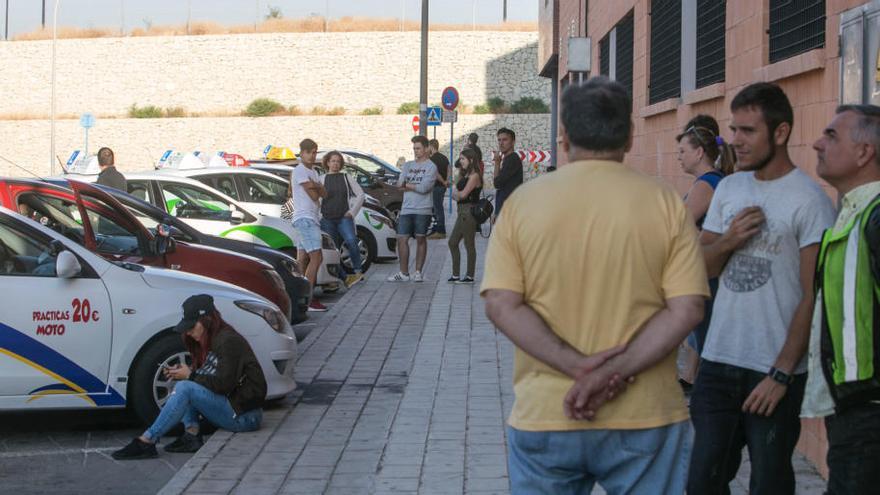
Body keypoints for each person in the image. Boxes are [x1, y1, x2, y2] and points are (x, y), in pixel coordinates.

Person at [482, 76, 709, 494]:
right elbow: (688, 308)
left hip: (546, 415)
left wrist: (578, 368)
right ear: (629, 135)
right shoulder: (664, 203)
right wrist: (613, 372)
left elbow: (500, 303)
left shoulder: (523, 204)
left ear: (563, 136)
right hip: (647, 417)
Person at [688, 82, 836, 494]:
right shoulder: (731, 189)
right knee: (702, 480)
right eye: (733, 130)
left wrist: (782, 374)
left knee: (770, 483)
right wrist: (731, 239)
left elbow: (813, 295)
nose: (736, 140)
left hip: (772, 370)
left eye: (748, 131)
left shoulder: (809, 200)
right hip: (718, 363)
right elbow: (699, 267)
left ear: (781, 132)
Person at [803, 104, 880, 494]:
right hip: (852, 410)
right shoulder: (856, 213)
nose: (817, 143)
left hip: (869, 413)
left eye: (831, 136)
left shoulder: (877, 218)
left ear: (865, 153)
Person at [112, 294, 266, 460]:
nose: (189, 332)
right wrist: (185, 372)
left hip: (245, 417)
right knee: (186, 383)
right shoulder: (212, 339)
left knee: (186, 386)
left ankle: (147, 441)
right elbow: (209, 376)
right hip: (235, 409)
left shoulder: (228, 340)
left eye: (192, 326)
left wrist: (191, 375)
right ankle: (192, 435)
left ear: (207, 320)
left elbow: (224, 385)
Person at [675, 120, 736, 387]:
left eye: (683, 152)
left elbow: (681, 225)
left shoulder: (707, 183)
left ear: (699, 153)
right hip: (710, 269)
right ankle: (693, 380)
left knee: (705, 333)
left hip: (706, 270)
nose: (679, 157)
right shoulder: (716, 180)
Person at [387, 135, 437, 283]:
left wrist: (407, 186)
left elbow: (424, 188)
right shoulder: (408, 165)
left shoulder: (431, 167)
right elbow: (399, 184)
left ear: (427, 148)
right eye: (414, 148)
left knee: (421, 238)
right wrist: (407, 185)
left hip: (423, 209)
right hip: (406, 209)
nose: (416, 151)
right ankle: (403, 273)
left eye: (419, 148)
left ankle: (418, 272)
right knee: (402, 238)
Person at [291, 138, 328, 312]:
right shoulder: (300, 171)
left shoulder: (312, 172)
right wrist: (317, 187)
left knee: (302, 260)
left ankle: (297, 296)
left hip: (310, 218)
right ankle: (309, 298)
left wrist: (316, 186)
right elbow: (315, 195)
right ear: (302, 153)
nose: (312, 156)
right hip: (305, 218)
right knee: (316, 257)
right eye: (309, 152)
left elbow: (324, 192)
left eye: (314, 152)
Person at [319, 150, 366, 288]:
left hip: (344, 218)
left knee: (352, 241)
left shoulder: (346, 177)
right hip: (327, 219)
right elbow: (317, 200)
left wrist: (352, 212)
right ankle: (333, 279)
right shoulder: (321, 179)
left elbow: (360, 195)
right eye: (333, 161)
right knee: (333, 250)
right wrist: (320, 216)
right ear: (327, 162)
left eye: (338, 161)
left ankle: (358, 271)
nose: (335, 164)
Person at [447, 147, 482, 284]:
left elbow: (462, 195)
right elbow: (457, 194)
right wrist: (456, 193)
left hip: (468, 212)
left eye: (463, 158)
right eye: (460, 158)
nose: (460, 161)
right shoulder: (466, 175)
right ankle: (456, 274)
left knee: (469, 244)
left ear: (471, 160)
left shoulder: (474, 176)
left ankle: (469, 276)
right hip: (461, 211)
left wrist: (455, 193)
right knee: (452, 242)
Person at [491, 127, 523, 216]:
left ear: (513, 142)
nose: (501, 143)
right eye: (499, 140)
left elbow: (497, 183)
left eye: (505, 140)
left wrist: (497, 163)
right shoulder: (508, 159)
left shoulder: (512, 159)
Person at [428, 138, 450, 240]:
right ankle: (436, 228)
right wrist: (447, 181)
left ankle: (440, 231)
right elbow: (449, 169)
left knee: (438, 209)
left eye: (428, 147)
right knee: (436, 208)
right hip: (443, 187)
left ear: (432, 147)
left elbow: (435, 174)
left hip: (437, 187)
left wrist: (443, 181)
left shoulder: (432, 159)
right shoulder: (444, 158)